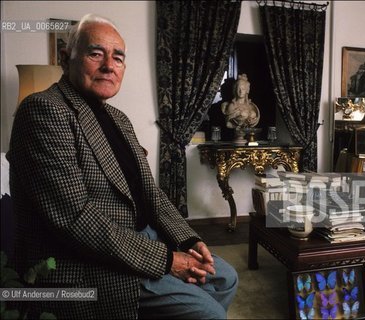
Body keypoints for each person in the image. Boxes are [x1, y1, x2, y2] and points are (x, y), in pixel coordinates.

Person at [7, 14, 237, 319]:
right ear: (66, 59)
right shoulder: (43, 110)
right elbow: (76, 219)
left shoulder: (118, 118)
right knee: (207, 313)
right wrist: (169, 260)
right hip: (85, 260)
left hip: (144, 236)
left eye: (118, 57)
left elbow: (151, 195)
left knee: (225, 278)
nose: (109, 65)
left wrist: (189, 240)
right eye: (95, 53)